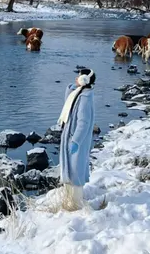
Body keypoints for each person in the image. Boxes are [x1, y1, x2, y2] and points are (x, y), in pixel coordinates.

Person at [57, 67, 96, 211]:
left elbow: (83, 123)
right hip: (70, 136)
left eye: (79, 77)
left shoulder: (85, 98)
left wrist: (76, 141)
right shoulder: (79, 93)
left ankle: (76, 205)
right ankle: (69, 202)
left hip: (75, 139)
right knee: (69, 169)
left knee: (75, 171)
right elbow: (68, 103)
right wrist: (72, 88)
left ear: (84, 80)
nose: (76, 78)